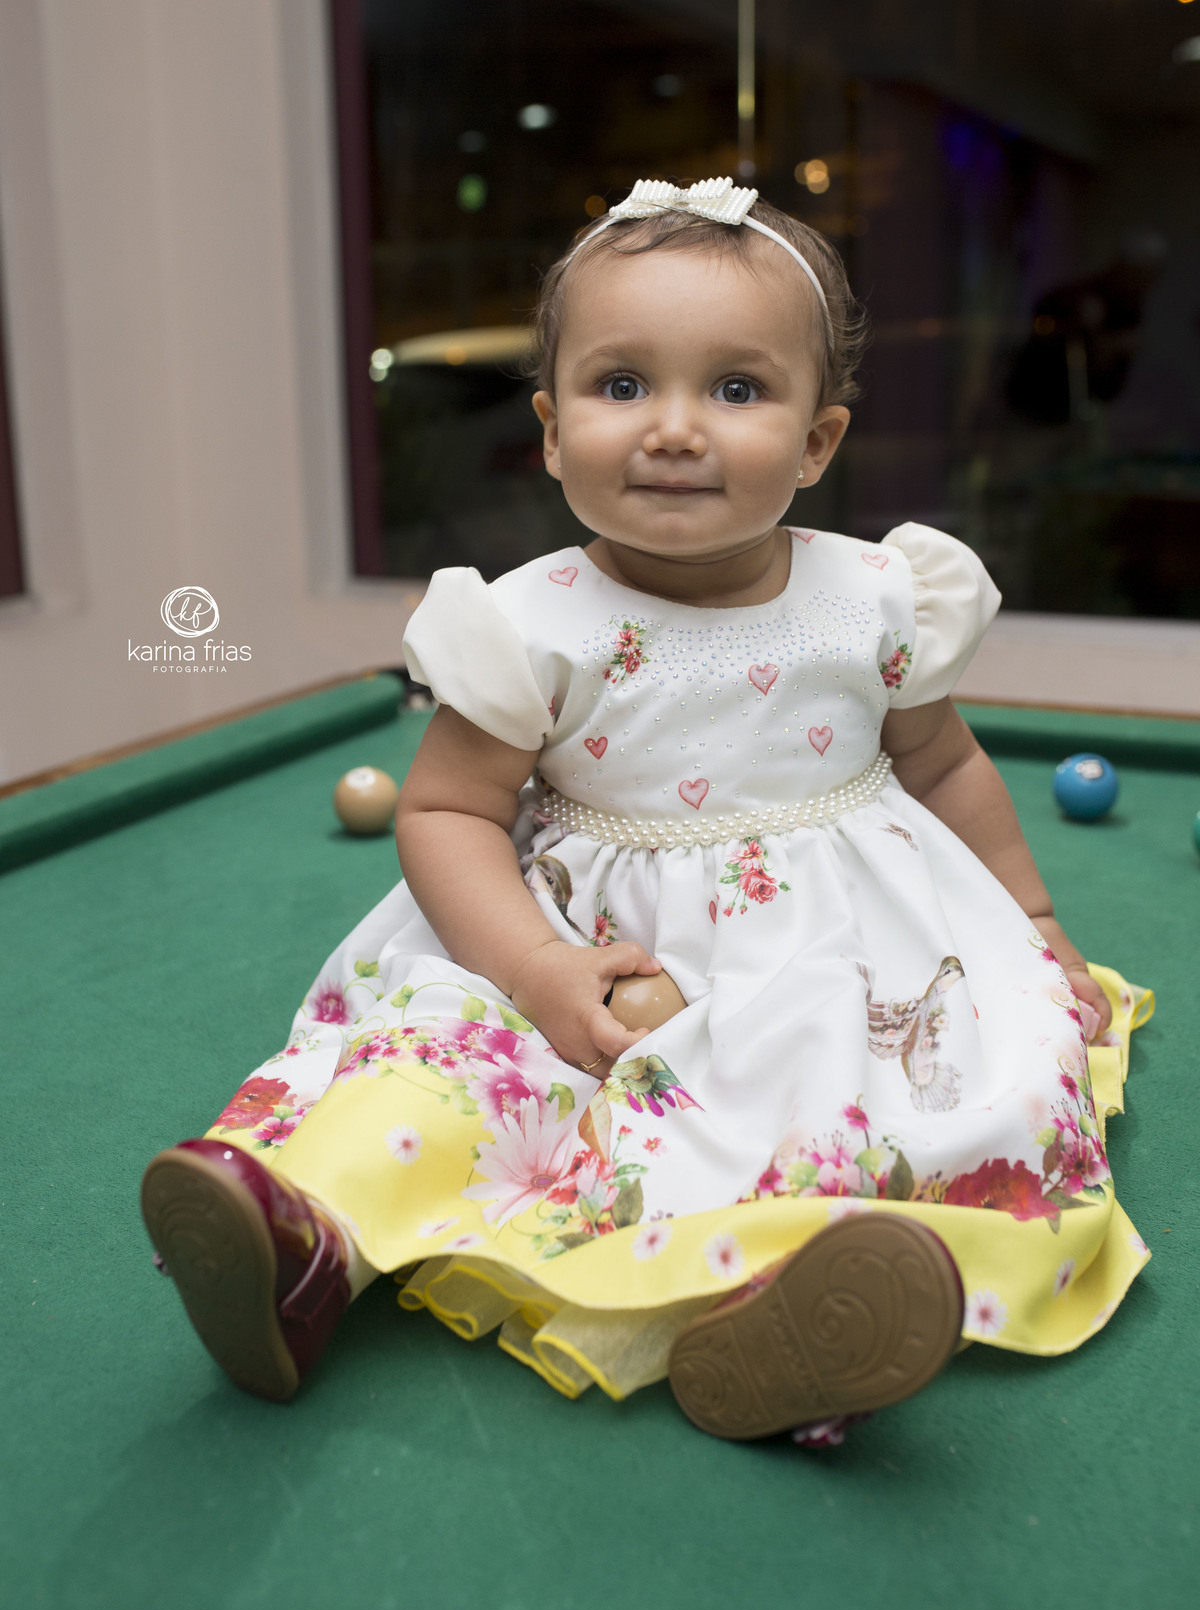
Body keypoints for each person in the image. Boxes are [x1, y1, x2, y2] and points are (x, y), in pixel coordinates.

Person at [142, 178, 1152, 1445]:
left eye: (735, 388)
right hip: (589, 952)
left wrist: (1036, 922)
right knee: (452, 1069)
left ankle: (783, 1321)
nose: (674, 429)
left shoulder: (878, 598)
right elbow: (447, 812)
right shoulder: (529, 624)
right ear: (552, 430)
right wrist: (535, 969)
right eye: (622, 385)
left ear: (817, 443)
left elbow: (943, 766)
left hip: (834, 953)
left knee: (861, 1103)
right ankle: (307, 1244)